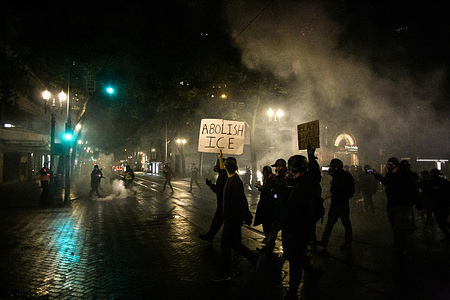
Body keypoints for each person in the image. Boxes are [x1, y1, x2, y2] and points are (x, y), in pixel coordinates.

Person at [281, 149, 322, 299]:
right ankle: (311, 270)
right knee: (292, 255)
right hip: (288, 226)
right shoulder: (288, 183)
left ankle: (292, 292)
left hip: (301, 228)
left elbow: (315, 176)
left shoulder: (306, 184)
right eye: (289, 167)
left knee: (294, 260)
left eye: (294, 168)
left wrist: (311, 157)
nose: (290, 171)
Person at [212, 154, 259, 282]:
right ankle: (254, 258)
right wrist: (220, 157)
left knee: (225, 246)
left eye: (224, 165)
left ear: (227, 168)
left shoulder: (235, 182)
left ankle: (225, 273)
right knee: (235, 244)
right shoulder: (231, 178)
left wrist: (242, 217)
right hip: (231, 219)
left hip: (232, 220)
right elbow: (222, 168)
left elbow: (240, 201)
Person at [373, 157, 421, 256]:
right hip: (392, 204)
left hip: (403, 205)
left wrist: (419, 206)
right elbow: (386, 182)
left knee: (398, 227)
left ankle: (401, 247)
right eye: (388, 164)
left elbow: (413, 190)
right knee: (395, 227)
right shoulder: (391, 175)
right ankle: (398, 246)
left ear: (397, 165)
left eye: (391, 165)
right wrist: (376, 174)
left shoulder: (404, 176)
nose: (389, 167)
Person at [317, 158, 355, 250]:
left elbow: (333, 192)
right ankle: (347, 242)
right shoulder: (347, 175)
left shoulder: (338, 178)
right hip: (344, 203)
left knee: (330, 224)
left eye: (332, 167)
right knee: (346, 224)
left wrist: (323, 198)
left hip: (337, 204)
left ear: (336, 168)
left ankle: (324, 241)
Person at [256, 158, 288, 254]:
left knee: (282, 230)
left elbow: (281, 189)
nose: (276, 169)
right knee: (274, 229)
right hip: (278, 206)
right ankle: (268, 248)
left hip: (283, 208)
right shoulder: (279, 177)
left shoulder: (285, 177)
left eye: (277, 167)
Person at [199, 155, 227, 243]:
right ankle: (210, 236)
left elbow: (219, 190)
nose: (215, 166)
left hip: (224, 204)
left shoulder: (223, 175)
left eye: (217, 164)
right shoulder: (223, 174)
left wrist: (210, 185)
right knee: (217, 222)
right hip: (223, 203)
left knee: (218, 222)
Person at [422, 169, 450, 242]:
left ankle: (448, 236)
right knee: (444, 221)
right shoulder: (444, 182)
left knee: (441, 222)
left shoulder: (429, 183)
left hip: (436, 205)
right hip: (444, 204)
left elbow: (426, 192)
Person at [253, 166, 276, 242]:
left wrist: (261, 188)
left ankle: (268, 238)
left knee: (268, 221)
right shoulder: (267, 178)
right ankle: (268, 236)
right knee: (266, 220)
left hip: (269, 203)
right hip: (265, 202)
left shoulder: (272, 178)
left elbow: (269, 189)